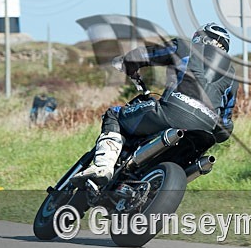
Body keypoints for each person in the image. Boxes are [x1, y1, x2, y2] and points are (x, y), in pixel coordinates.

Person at [73, 22, 238, 186]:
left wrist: (127, 62)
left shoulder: (185, 47)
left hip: (170, 113)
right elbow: (225, 127)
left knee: (114, 114)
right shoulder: (232, 78)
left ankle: (103, 166)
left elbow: (147, 54)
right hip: (203, 134)